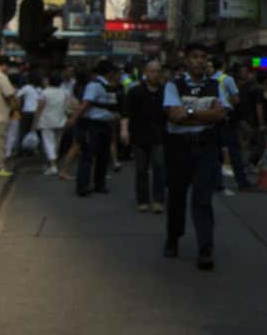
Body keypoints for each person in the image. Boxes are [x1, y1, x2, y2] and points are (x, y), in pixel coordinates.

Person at [163, 44, 230, 270]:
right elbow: (173, 116)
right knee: (176, 198)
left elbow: (220, 115)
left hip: (205, 147)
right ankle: (173, 239)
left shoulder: (215, 85)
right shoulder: (175, 84)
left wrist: (189, 113)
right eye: (195, 57)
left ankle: (205, 249)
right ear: (187, 60)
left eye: (203, 57)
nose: (199, 61)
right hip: (179, 148)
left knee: (203, 200)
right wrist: (206, 116)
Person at [71, 61, 122, 197]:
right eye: (116, 72)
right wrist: (73, 120)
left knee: (103, 156)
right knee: (87, 155)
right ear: (110, 72)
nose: (118, 75)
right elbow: (85, 104)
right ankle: (83, 186)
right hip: (92, 125)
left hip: (105, 124)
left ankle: (99, 184)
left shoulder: (109, 87)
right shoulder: (94, 86)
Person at [123, 61, 167, 213]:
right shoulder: (135, 92)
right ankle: (142, 200)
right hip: (139, 136)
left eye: (158, 71)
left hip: (160, 137)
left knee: (159, 168)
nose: (155, 74)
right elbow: (126, 113)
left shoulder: (166, 92)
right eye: (152, 71)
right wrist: (124, 131)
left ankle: (158, 200)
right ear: (146, 72)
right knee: (141, 169)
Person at [213, 61, 251, 193]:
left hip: (211, 118)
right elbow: (236, 100)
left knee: (216, 152)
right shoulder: (227, 79)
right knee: (234, 151)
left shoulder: (206, 80)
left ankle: (216, 183)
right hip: (226, 118)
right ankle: (242, 182)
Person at [34, 72, 69, 176]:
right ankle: (53, 164)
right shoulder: (65, 92)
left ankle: (53, 166)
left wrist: (35, 122)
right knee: (57, 143)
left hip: (46, 121)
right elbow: (67, 106)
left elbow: (39, 108)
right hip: (61, 120)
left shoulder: (45, 93)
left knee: (48, 143)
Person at [12, 73, 42, 160]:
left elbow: (17, 95)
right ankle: (33, 149)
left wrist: (18, 106)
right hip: (36, 112)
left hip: (26, 112)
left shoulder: (26, 88)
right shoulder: (40, 89)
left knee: (23, 131)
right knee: (34, 131)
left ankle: (21, 151)